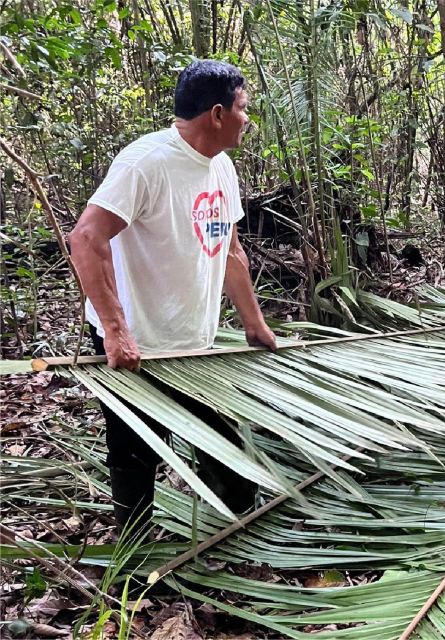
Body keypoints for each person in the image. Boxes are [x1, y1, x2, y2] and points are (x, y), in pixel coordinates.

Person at [68, 60, 277, 535]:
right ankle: (135, 561)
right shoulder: (147, 162)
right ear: (219, 114)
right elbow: (86, 239)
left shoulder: (221, 167)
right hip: (138, 346)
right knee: (136, 452)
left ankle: (240, 534)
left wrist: (253, 324)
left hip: (194, 343)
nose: (250, 118)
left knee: (221, 440)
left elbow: (230, 250)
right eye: (245, 108)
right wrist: (118, 333)